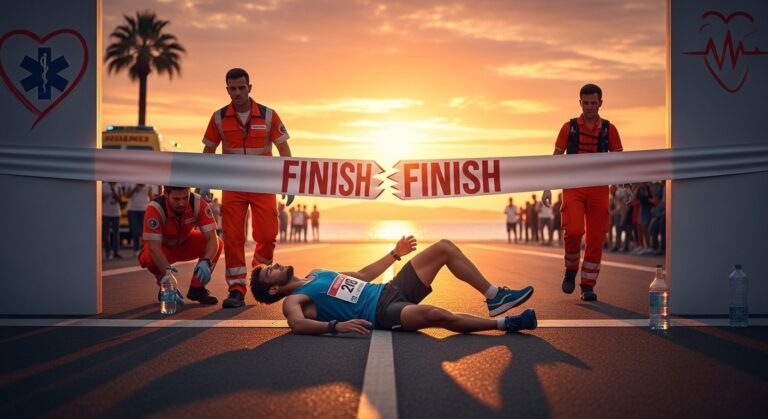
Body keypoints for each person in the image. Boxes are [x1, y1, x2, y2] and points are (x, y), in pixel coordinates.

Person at [249, 236, 537, 335]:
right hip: (382, 313)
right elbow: (297, 325)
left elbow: (362, 275)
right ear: (273, 289)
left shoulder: (316, 272)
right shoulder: (294, 300)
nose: (273, 265)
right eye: (268, 272)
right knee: (436, 315)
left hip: (390, 288)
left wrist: (395, 253)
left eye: (269, 264)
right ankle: (506, 324)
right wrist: (335, 326)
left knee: (444, 248)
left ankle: (494, 296)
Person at [201, 68, 292, 308]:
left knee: (267, 235)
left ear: (250, 88)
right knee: (233, 237)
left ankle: (257, 275)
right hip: (233, 187)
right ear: (227, 89)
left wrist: (289, 182)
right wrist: (204, 182)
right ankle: (237, 290)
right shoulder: (218, 117)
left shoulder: (269, 115)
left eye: (242, 88)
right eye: (233, 88)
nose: (238, 92)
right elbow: (208, 152)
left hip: (263, 185)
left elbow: (284, 150)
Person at [542, 84, 623, 301]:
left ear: (600, 103)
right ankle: (570, 269)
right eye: (585, 103)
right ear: (580, 103)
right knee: (574, 231)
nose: (589, 107)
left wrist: (625, 187)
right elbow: (555, 158)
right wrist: (547, 186)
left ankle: (588, 285)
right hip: (573, 187)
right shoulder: (568, 128)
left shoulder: (609, 129)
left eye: (593, 103)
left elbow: (621, 162)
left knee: (596, 238)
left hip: (599, 190)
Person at [139, 186, 223, 305]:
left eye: (185, 197)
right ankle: (166, 287)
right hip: (163, 250)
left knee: (218, 243)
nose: (182, 203)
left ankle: (197, 288)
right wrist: (166, 275)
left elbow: (211, 239)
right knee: (148, 256)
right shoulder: (155, 208)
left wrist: (207, 261)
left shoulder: (197, 203)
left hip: (186, 244)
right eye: (176, 199)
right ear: (166, 194)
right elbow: (153, 247)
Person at [123, 183, 154, 256]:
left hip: (144, 209)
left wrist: (152, 208)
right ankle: (136, 249)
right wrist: (134, 189)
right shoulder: (131, 183)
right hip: (132, 209)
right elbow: (127, 196)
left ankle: (145, 249)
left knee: (145, 231)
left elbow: (151, 197)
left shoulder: (148, 184)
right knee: (135, 230)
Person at [102, 182, 122, 260]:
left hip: (116, 213)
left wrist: (113, 191)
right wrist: (106, 194)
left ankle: (116, 253)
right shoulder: (103, 186)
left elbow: (119, 199)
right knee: (106, 233)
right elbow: (101, 199)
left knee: (116, 233)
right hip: (105, 213)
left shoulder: (118, 186)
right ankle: (108, 253)